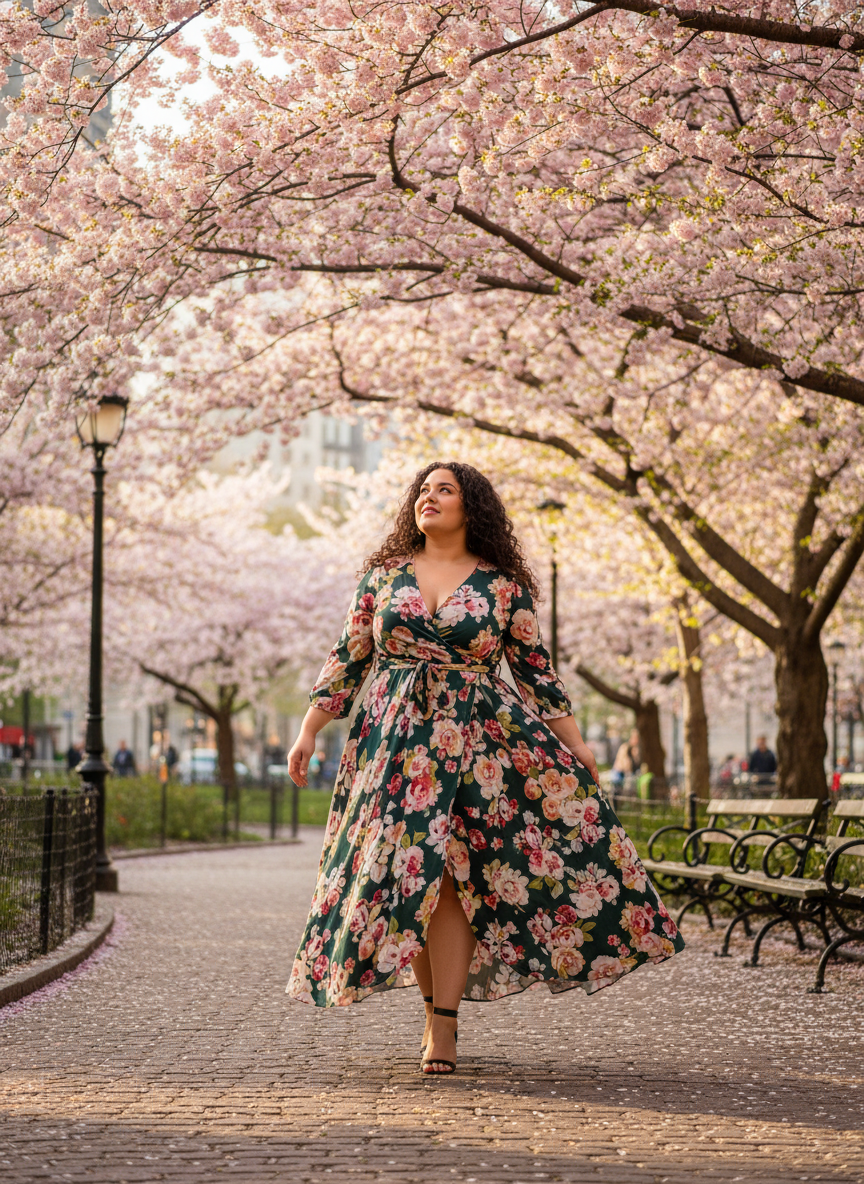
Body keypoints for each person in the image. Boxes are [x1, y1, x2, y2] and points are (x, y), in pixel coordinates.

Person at [286, 462, 684, 1075]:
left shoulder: (502, 586)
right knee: (410, 877)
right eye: (423, 489)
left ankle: (442, 1024)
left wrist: (574, 745)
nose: (430, 497)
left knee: (451, 875)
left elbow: (534, 668)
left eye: (444, 490)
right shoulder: (382, 578)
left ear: (471, 505)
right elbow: (349, 656)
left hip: (479, 741)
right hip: (395, 744)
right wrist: (309, 729)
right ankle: (431, 1011)